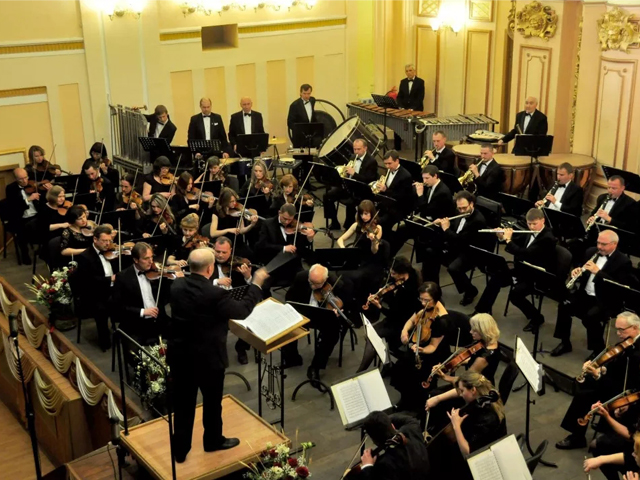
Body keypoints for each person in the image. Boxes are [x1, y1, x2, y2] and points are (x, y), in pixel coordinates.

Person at [168, 249, 268, 462]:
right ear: (210, 268)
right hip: (208, 357)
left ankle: (180, 450)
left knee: (183, 405)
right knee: (212, 402)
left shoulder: (176, 286)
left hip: (181, 355)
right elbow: (241, 311)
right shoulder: (215, 294)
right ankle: (212, 440)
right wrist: (256, 284)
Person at [556, 312, 640, 451]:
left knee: (588, 390)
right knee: (585, 388)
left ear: (635, 328)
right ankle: (578, 435)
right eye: (617, 329)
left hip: (626, 393)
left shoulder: (637, 352)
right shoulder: (628, 341)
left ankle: (591, 433)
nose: (618, 333)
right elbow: (616, 367)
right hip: (617, 382)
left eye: (621, 330)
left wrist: (598, 376)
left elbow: (629, 381)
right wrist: (600, 369)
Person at [552, 230, 632, 357]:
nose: (599, 247)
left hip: (606, 299)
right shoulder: (591, 252)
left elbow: (619, 287)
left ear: (614, 244)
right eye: (598, 243)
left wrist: (598, 272)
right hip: (585, 293)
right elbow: (582, 268)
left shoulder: (623, 261)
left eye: (604, 244)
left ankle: (598, 349)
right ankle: (565, 342)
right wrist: (577, 271)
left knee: (590, 317)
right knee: (564, 305)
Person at [474, 208, 557, 330]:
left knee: (515, 295)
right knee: (497, 277)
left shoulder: (548, 238)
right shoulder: (530, 231)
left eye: (535, 224)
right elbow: (516, 243)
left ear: (543, 220)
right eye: (529, 224)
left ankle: (537, 318)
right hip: (523, 269)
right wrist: (502, 236)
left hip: (537, 275)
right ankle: (481, 311)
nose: (532, 227)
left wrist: (508, 240)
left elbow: (526, 253)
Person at [425, 314, 501, 432]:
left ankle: (436, 430)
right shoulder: (488, 342)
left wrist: (445, 378)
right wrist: (459, 361)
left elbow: (465, 381)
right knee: (436, 394)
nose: (470, 332)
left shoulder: (484, 357)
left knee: (435, 396)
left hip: (476, 391)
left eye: (474, 330)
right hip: (473, 382)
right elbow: (473, 359)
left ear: (483, 331)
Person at [428, 371, 506, 478]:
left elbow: (468, 452)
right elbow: (460, 391)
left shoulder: (487, 418)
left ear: (473, 390)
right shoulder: (484, 394)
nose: (460, 394)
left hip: (482, 458)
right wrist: (438, 398)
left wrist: (456, 426)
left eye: (462, 391)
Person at [283, 264, 353, 381]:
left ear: (325, 279)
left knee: (332, 333)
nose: (313, 286)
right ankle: (293, 358)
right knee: (288, 322)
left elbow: (347, 302)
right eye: (311, 282)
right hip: (305, 313)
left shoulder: (338, 284)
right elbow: (289, 298)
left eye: (317, 284)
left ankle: (316, 366)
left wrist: (338, 310)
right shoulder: (301, 277)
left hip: (325, 317)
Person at [422, 191, 488, 306]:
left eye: (464, 208)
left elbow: (461, 241)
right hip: (455, 246)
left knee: (453, 268)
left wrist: (446, 229)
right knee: (429, 252)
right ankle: (433, 288)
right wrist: (441, 224)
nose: (461, 211)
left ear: (472, 204)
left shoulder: (478, 221)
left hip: (470, 252)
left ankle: (471, 291)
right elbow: (455, 228)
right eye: (459, 208)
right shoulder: (458, 211)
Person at [356, 257, 421, 373]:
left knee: (371, 338)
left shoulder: (409, 290)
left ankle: (362, 371)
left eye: (394, 273)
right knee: (370, 336)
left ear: (402, 274)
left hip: (402, 324)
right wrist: (382, 293)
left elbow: (395, 314)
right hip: (394, 318)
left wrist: (379, 306)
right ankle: (385, 363)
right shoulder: (401, 281)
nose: (391, 275)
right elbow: (392, 304)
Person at [392, 282, 450, 411]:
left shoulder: (441, 321)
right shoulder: (424, 305)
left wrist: (422, 350)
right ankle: (405, 397)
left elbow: (433, 346)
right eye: (421, 299)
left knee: (417, 374)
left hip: (434, 352)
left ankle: (420, 405)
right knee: (401, 367)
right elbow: (412, 320)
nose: (423, 303)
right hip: (420, 344)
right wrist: (404, 331)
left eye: (426, 300)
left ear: (436, 298)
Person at [393, 164, 455, 258]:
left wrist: (420, 195)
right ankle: (390, 257)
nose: (424, 181)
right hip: (426, 219)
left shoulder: (443, 193)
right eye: (423, 178)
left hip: (436, 225)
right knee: (402, 229)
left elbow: (427, 211)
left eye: (427, 178)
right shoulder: (431, 186)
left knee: (407, 231)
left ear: (435, 176)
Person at [111, 242, 167, 346]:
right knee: (134, 353)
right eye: (146, 258)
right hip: (135, 324)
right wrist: (142, 311)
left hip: (158, 320)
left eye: (151, 257)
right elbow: (117, 308)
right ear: (136, 260)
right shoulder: (123, 277)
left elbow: (166, 297)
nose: (151, 261)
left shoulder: (157, 273)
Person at [71, 225, 115, 351]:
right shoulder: (85, 257)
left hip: (111, 289)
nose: (108, 244)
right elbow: (89, 282)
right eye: (104, 241)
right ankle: (105, 343)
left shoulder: (111, 253)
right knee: (102, 309)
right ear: (95, 240)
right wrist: (110, 279)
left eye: (109, 241)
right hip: (93, 294)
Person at [211, 236, 254, 364]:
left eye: (224, 252)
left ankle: (241, 347)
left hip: (234, 301)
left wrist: (248, 277)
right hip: (214, 303)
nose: (220, 255)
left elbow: (250, 287)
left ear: (231, 250)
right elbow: (199, 282)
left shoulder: (238, 264)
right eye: (217, 251)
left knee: (250, 319)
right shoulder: (207, 263)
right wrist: (216, 281)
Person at [338, 200, 387, 304]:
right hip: (357, 259)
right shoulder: (357, 225)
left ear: (372, 213)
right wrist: (344, 249)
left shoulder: (378, 228)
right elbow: (340, 239)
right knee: (340, 272)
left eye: (366, 213)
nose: (363, 217)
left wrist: (373, 241)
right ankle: (348, 297)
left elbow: (374, 251)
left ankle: (356, 298)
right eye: (361, 214)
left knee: (353, 276)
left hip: (370, 262)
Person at [255, 203, 315, 288]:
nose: (287, 222)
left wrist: (309, 239)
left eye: (290, 219)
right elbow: (262, 245)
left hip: (293, 265)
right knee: (262, 285)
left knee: (308, 280)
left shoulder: (296, 226)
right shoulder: (268, 224)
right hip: (275, 263)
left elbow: (301, 247)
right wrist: (283, 248)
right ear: (279, 212)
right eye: (285, 218)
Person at [323, 138, 378, 230]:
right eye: (354, 149)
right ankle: (334, 222)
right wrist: (345, 173)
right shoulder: (353, 157)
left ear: (365, 148)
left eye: (358, 149)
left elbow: (368, 180)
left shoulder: (371, 161)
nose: (356, 152)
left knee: (351, 201)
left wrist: (354, 174)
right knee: (327, 196)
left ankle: (349, 224)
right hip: (350, 186)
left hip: (362, 190)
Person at [358, 411, 430, 480]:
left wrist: (367, 467)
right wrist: (384, 420)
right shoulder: (412, 430)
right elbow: (409, 419)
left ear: (374, 441)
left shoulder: (384, 466)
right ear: (393, 426)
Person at [207, 187, 257, 259]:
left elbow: (242, 230)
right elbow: (213, 233)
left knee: (251, 255)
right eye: (231, 201)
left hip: (236, 242)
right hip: (223, 242)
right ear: (225, 201)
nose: (235, 203)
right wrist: (228, 230)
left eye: (235, 200)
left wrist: (252, 225)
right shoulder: (217, 211)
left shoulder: (238, 210)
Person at [375, 150, 413, 240]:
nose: (387, 166)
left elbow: (402, 197)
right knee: (369, 214)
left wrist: (386, 190)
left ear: (397, 161)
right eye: (385, 164)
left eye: (389, 163)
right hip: (387, 203)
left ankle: (384, 241)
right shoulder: (388, 170)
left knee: (381, 222)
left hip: (398, 208)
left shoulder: (406, 176)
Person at [5, 167, 40, 264]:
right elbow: (13, 206)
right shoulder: (10, 188)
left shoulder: (33, 184)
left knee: (47, 223)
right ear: (16, 179)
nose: (25, 181)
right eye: (21, 179)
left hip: (35, 215)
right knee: (21, 231)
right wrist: (28, 200)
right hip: (21, 218)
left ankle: (43, 248)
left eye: (26, 177)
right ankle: (25, 254)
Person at [394, 64, 426, 150]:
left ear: (414, 71)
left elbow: (420, 97)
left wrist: (412, 108)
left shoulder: (420, 82)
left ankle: (418, 146)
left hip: (416, 109)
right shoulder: (403, 82)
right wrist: (401, 106)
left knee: (416, 127)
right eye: (407, 71)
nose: (408, 72)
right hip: (404, 109)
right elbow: (399, 96)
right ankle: (397, 147)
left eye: (410, 70)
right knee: (397, 124)